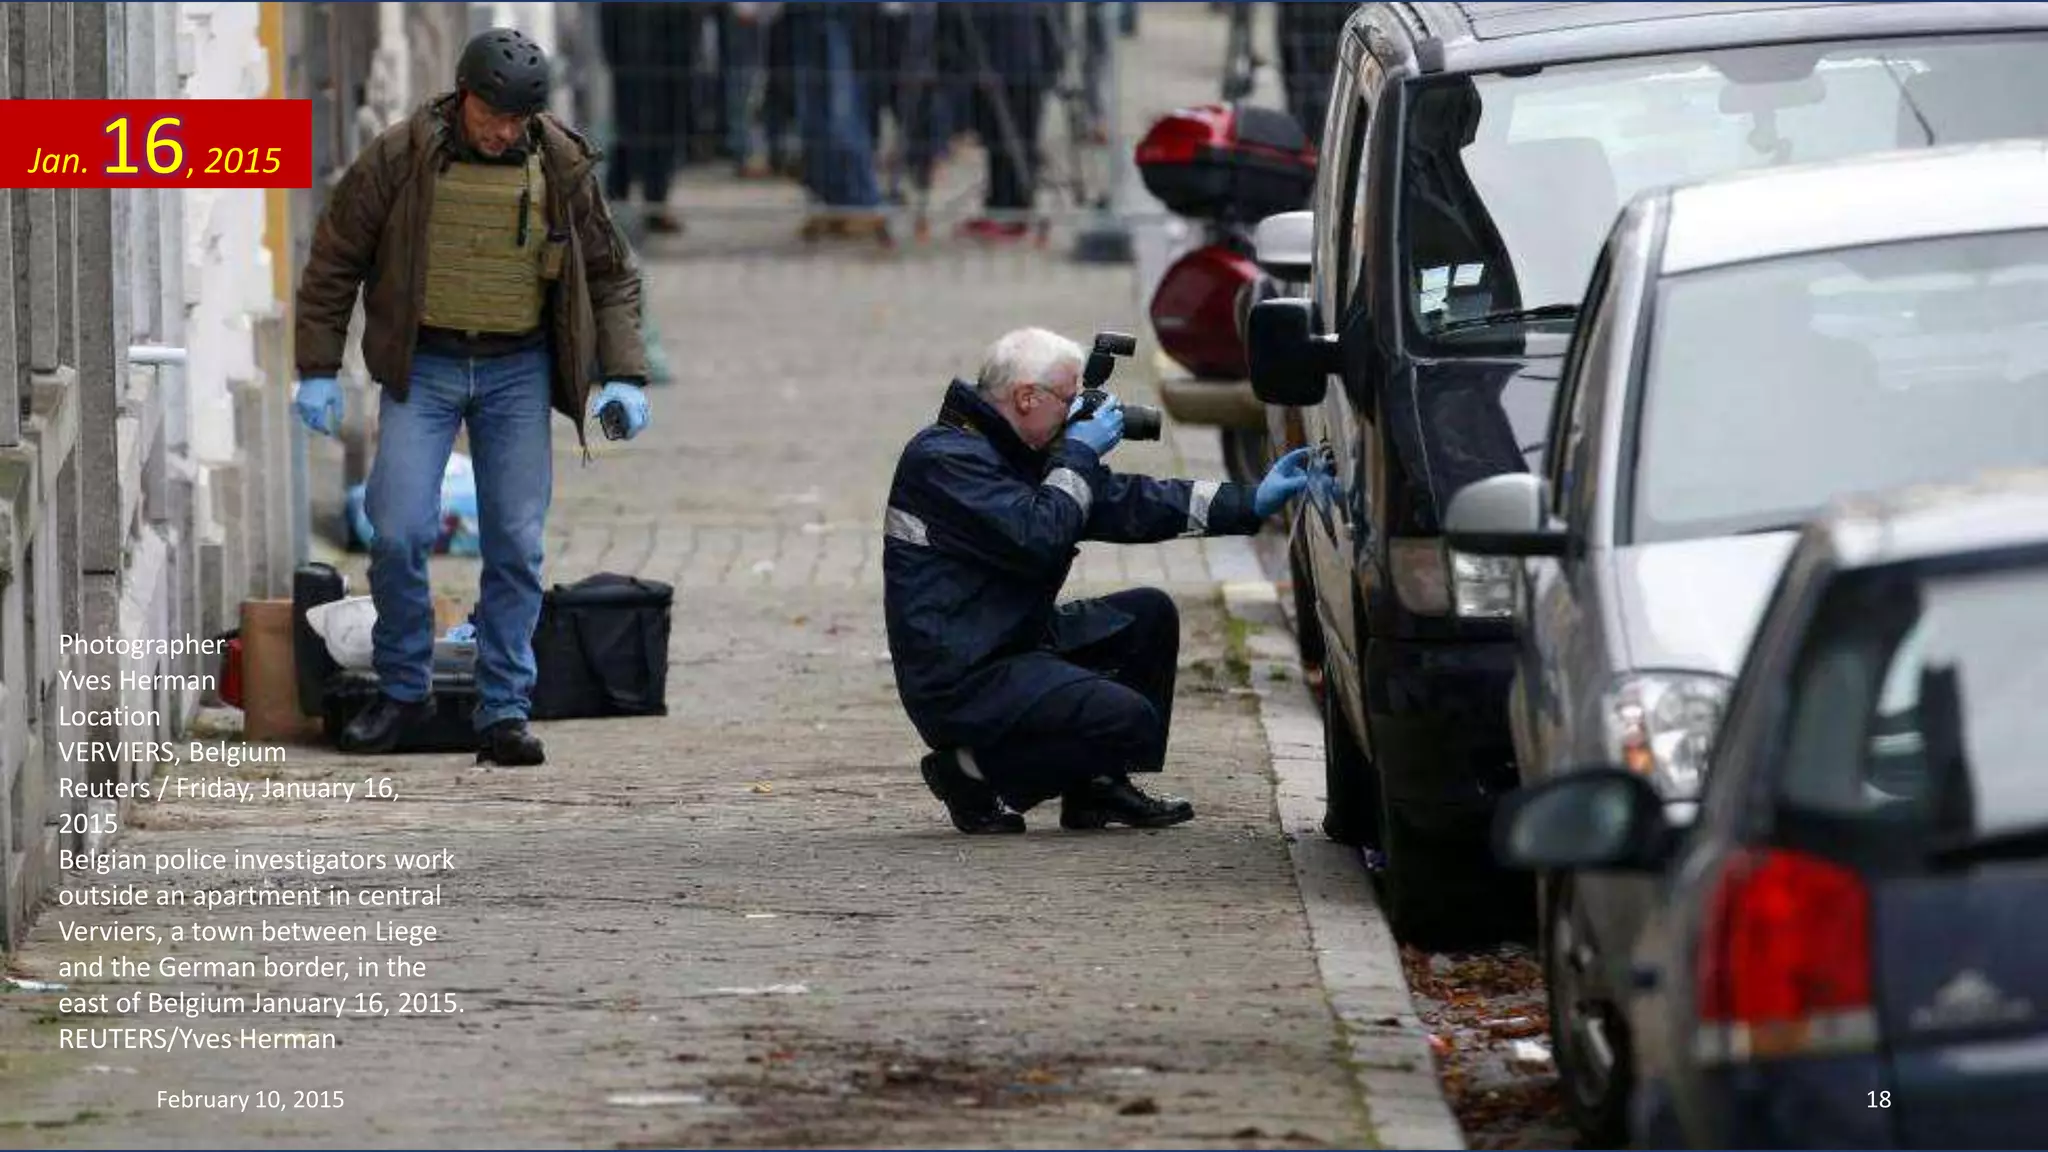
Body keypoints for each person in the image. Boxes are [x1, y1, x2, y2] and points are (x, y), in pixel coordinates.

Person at [292, 28, 652, 766]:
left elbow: (611, 273)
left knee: (516, 544)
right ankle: (400, 689)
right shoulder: (402, 155)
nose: (504, 132)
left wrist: (624, 374)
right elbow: (335, 257)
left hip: (517, 369)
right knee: (395, 529)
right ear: (465, 97)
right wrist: (318, 367)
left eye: (518, 120)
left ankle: (504, 709)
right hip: (424, 366)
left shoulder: (560, 162)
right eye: (494, 116)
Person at [882, 328, 1319, 833]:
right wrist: (1078, 456)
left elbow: (1129, 503)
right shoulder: (945, 460)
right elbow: (1039, 534)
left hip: (1009, 639)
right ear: (1026, 397)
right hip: (962, 674)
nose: (1078, 419)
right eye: (1070, 402)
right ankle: (974, 776)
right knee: (1127, 719)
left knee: (1147, 615)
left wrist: (1251, 500)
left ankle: (1097, 790)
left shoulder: (1015, 452)